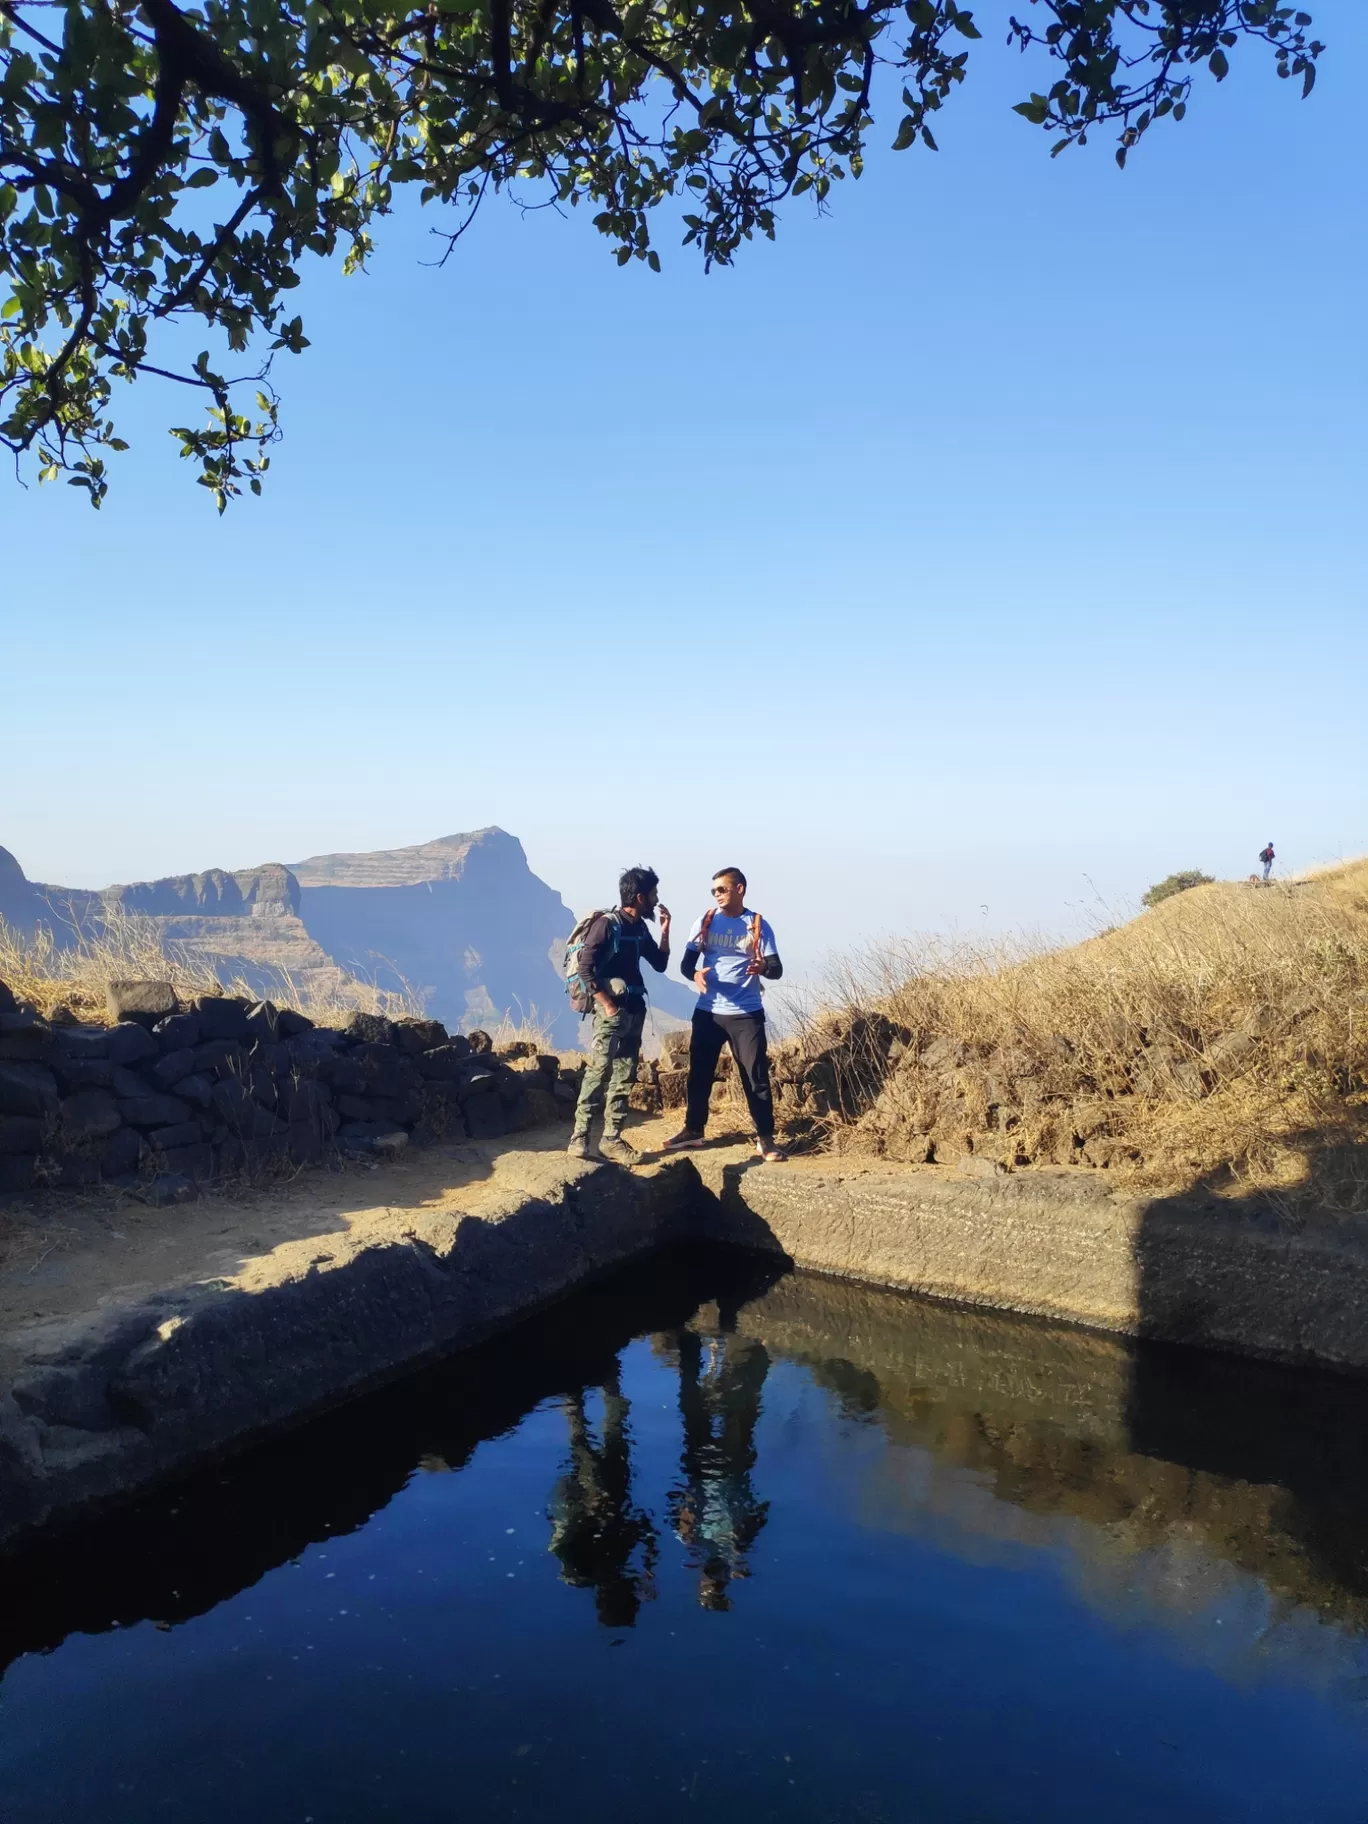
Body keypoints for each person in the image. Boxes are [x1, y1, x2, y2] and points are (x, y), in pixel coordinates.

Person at [662, 867, 785, 1162]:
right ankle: (693, 1130)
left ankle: (765, 1139)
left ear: (739, 889)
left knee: (755, 1076)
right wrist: (695, 975)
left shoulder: (757, 925)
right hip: (708, 1011)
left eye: (722, 889)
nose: (717, 895)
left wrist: (762, 968)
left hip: (746, 1013)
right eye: (714, 890)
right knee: (699, 1075)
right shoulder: (705, 921)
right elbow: (685, 964)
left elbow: (776, 968)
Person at [568, 866, 670, 1164]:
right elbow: (586, 968)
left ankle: (611, 1139)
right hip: (611, 1011)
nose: (656, 899)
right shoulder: (606, 924)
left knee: (625, 1075)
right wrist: (607, 1004)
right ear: (639, 897)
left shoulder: (639, 927)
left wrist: (665, 931)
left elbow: (660, 963)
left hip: (635, 1008)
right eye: (653, 894)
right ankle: (580, 1137)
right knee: (599, 1070)